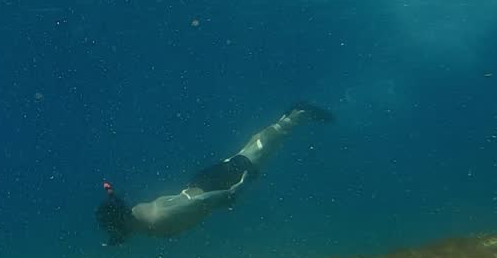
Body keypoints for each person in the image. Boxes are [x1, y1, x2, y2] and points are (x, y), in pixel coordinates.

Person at [95, 101, 333, 245]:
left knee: (257, 154)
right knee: (251, 151)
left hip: (212, 186)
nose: (115, 233)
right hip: (200, 182)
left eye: (114, 229)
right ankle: (288, 118)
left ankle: (297, 115)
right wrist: (113, 200)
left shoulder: (158, 220)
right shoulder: (135, 217)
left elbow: (200, 202)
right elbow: (120, 211)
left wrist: (232, 191)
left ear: (123, 222)